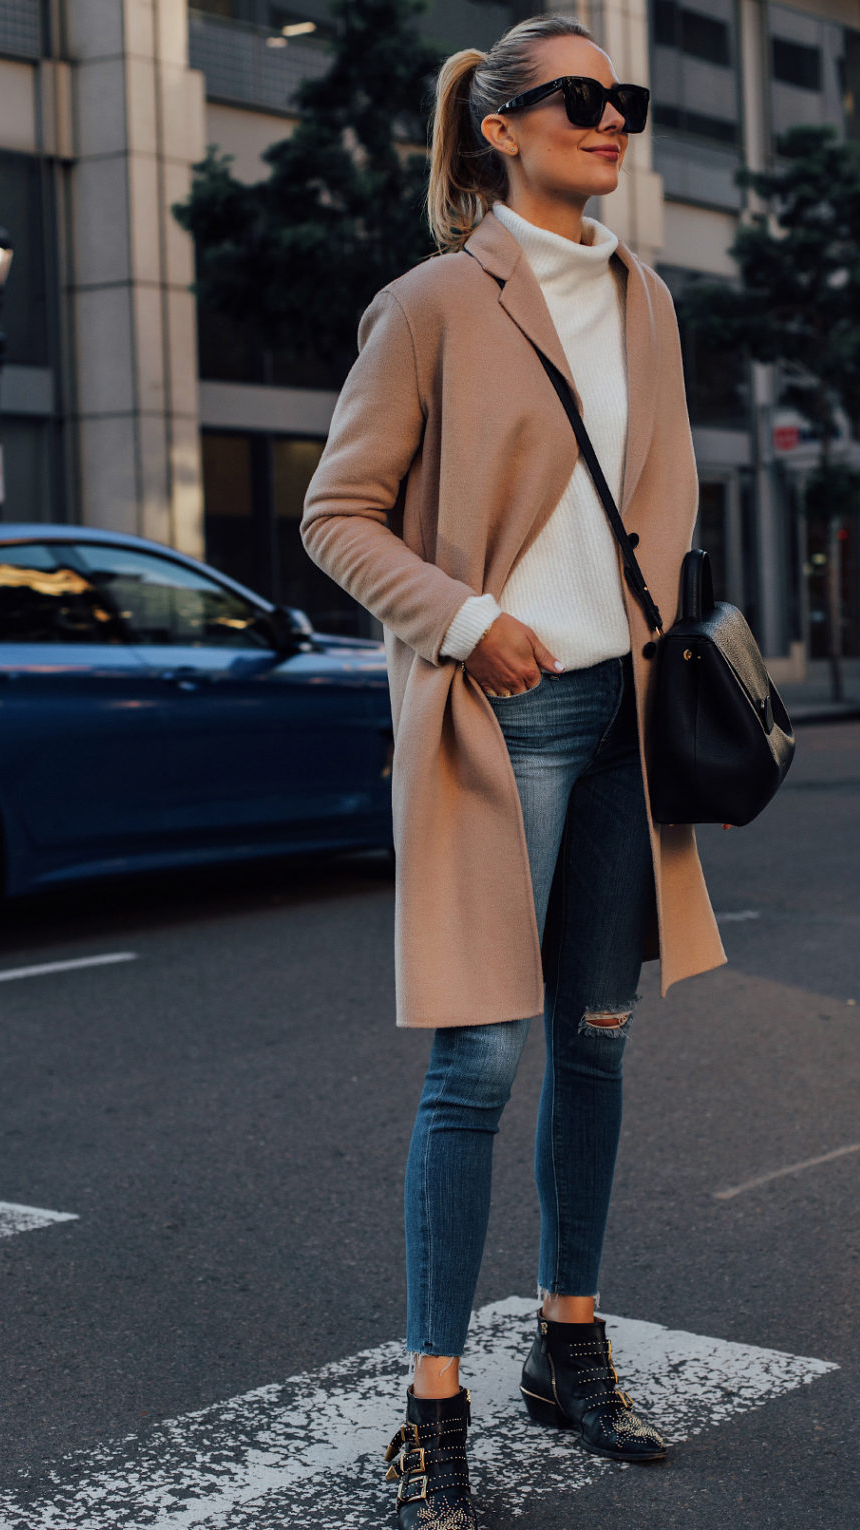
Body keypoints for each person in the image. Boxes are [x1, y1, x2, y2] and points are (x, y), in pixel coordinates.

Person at [301, 14, 726, 1525]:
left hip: (624, 720)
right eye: (579, 98)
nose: (614, 118)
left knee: (597, 1038)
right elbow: (339, 516)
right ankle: (432, 1399)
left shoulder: (648, 299)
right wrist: (468, 621)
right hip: (499, 721)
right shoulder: (431, 301)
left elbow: (658, 495)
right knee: (478, 1063)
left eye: (630, 98)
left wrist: (659, 632)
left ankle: (569, 1337)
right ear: (499, 127)